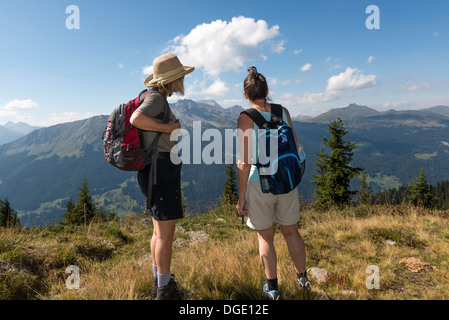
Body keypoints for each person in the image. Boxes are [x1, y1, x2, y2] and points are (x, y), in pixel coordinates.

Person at [236, 67, 311, 300]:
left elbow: (244, 161)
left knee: (265, 236)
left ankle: (273, 288)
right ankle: (302, 279)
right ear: (267, 91)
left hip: (261, 184)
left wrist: (241, 196)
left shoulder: (246, 118)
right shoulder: (283, 111)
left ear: (246, 95)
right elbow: (295, 145)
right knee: (291, 232)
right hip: (287, 181)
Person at [130, 53, 194, 300]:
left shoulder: (148, 96)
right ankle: (165, 292)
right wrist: (169, 128)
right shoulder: (156, 98)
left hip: (150, 169)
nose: (183, 81)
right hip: (161, 170)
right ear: (173, 79)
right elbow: (137, 119)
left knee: (158, 232)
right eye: (181, 77)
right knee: (166, 234)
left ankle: (159, 282)